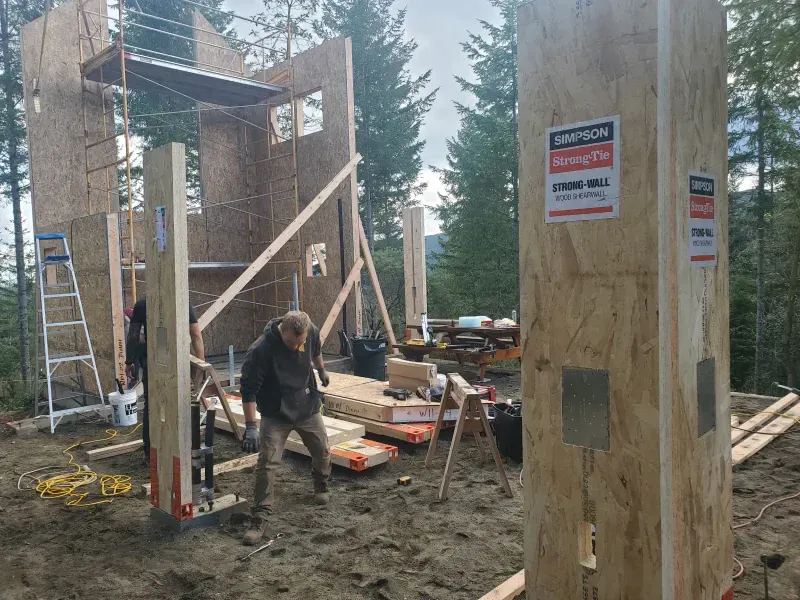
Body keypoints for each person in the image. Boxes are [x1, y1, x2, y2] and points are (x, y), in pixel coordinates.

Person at [239, 310, 331, 546]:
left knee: (322, 449)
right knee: (267, 463)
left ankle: (321, 482)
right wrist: (250, 426)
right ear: (283, 330)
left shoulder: (311, 333)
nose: (295, 347)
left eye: (299, 343)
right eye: (291, 342)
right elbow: (248, 390)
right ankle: (260, 517)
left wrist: (320, 371)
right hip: (275, 412)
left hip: (305, 404)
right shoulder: (260, 351)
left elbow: (316, 352)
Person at [124, 297, 205, 461]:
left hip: (154, 357)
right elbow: (195, 334)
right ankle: (182, 448)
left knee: (152, 404)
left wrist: (129, 361)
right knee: (179, 401)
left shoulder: (143, 304)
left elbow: (133, 335)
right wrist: (200, 366)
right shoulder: (181, 299)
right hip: (176, 358)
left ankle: (151, 452)